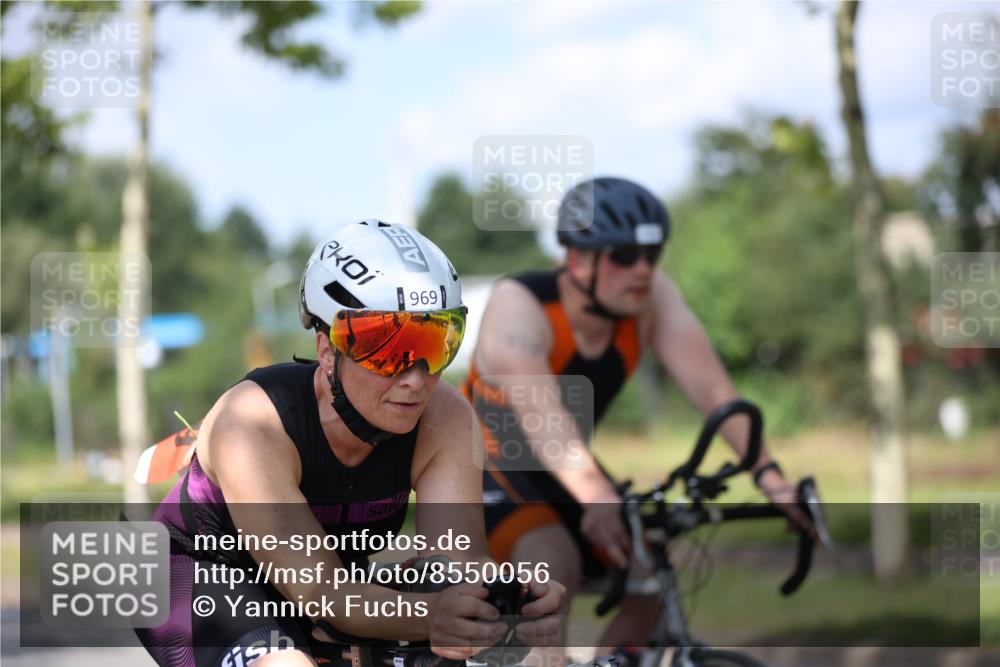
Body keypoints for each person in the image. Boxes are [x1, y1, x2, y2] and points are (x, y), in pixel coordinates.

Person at [136, 220, 564, 667]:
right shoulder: (252, 423)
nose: (416, 378)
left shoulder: (448, 416)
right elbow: (321, 590)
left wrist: (511, 598)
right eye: (388, 350)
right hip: (201, 578)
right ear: (326, 350)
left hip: (332, 584)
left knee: (529, 653)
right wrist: (433, 614)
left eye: (436, 343)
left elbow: (457, 568)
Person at [461, 178, 812, 664]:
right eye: (625, 255)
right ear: (579, 258)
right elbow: (542, 420)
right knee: (551, 562)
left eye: (653, 254)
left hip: (569, 469)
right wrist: (600, 497)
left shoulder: (650, 301)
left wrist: (774, 483)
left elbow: (715, 393)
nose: (642, 269)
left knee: (649, 575)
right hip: (488, 464)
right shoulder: (520, 305)